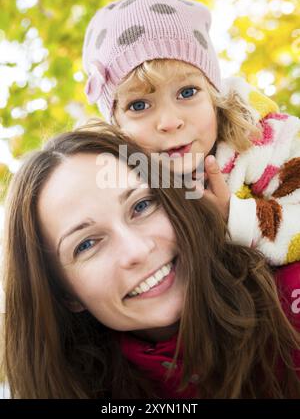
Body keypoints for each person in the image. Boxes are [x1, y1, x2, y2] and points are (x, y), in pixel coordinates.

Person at [3, 123, 300, 399]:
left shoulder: (290, 299)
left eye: (142, 206)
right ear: (65, 293)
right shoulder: (70, 386)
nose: (137, 250)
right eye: (87, 244)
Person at [82, 0, 300, 266]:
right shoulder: (123, 183)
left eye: (186, 93)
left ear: (213, 94)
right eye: (139, 106)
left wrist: (233, 217)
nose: (170, 122)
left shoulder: (263, 137)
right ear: (117, 126)